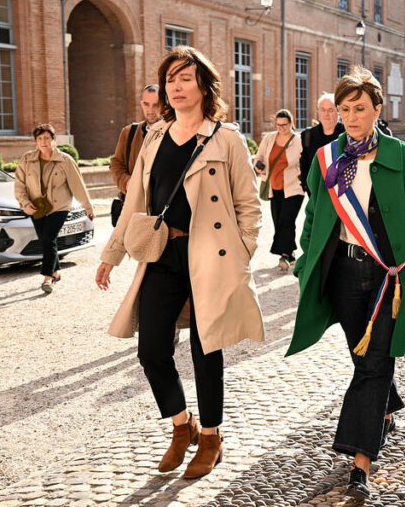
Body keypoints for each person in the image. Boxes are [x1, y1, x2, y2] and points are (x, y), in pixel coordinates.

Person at [95, 46, 265, 479]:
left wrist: (242, 251)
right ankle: (181, 423)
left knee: (207, 348)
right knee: (151, 349)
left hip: (211, 254)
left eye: (185, 78)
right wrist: (111, 256)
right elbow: (134, 198)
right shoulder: (154, 137)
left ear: (205, 86)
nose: (175, 85)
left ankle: (210, 436)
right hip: (162, 255)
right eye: (170, 78)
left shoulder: (225, 138)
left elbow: (249, 204)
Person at [286, 67, 405, 500]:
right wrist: (304, 260)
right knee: (364, 357)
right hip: (342, 273)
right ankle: (385, 408)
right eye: (345, 109)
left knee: (373, 364)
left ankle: (358, 463)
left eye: (360, 109)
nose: (351, 117)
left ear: (377, 109)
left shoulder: (404, 157)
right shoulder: (325, 158)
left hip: (388, 277)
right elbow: (314, 214)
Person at [14, 124, 96, 293]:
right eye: (39, 138)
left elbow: (77, 186)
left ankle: (47, 278)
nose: (43, 142)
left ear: (54, 140)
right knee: (45, 240)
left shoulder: (65, 160)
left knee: (48, 239)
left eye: (47, 138)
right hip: (36, 207)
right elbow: (19, 184)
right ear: (36, 141)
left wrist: (88, 207)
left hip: (59, 206)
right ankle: (56, 272)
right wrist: (24, 203)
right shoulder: (27, 159)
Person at [255, 109, 304, 270]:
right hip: (273, 187)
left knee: (287, 220)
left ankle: (284, 255)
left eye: (284, 125)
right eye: (278, 125)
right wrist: (258, 165)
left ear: (291, 123)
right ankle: (289, 254)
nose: (281, 128)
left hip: (294, 187)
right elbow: (259, 156)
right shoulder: (269, 139)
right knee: (278, 221)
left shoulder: (297, 141)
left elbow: (305, 161)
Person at [110, 85, 163, 227]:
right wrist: (127, 183)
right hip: (134, 209)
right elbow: (116, 163)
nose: (150, 110)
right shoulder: (129, 132)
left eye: (156, 105)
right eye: (146, 104)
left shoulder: (175, 132)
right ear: (141, 104)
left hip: (162, 210)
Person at [300, 93, 346, 196]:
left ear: (338, 112)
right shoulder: (308, 135)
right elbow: (304, 163)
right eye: (322, 110)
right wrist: (306, 185)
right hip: (316, 191)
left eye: (330, 110)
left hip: (341, 193)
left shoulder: (348, 134)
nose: (326, 114)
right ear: (318, 112)